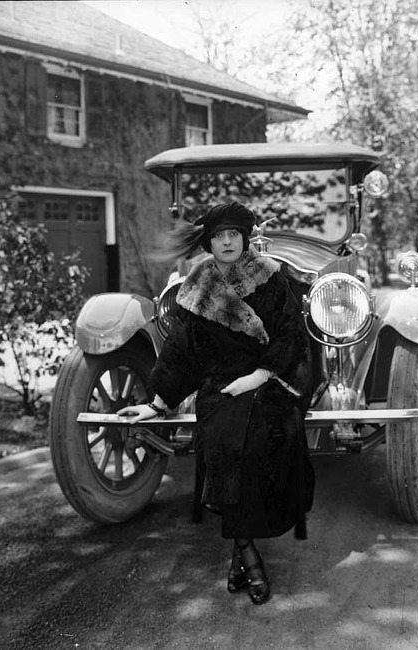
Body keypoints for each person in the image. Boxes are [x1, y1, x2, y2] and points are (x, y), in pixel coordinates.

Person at [118, 202, 315, 605]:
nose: (227, 241)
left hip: (270, 379)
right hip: (222, 387)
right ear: (209, 242)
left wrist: (259, 376)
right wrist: (155, 404)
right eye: (219, 235)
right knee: (225, 444)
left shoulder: (273, 279)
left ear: (245, 239)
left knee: (269, 439)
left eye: (234, 234)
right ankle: (247, 554)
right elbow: (181, 352)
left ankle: (240, 554)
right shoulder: (197, 286)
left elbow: (291, 336)